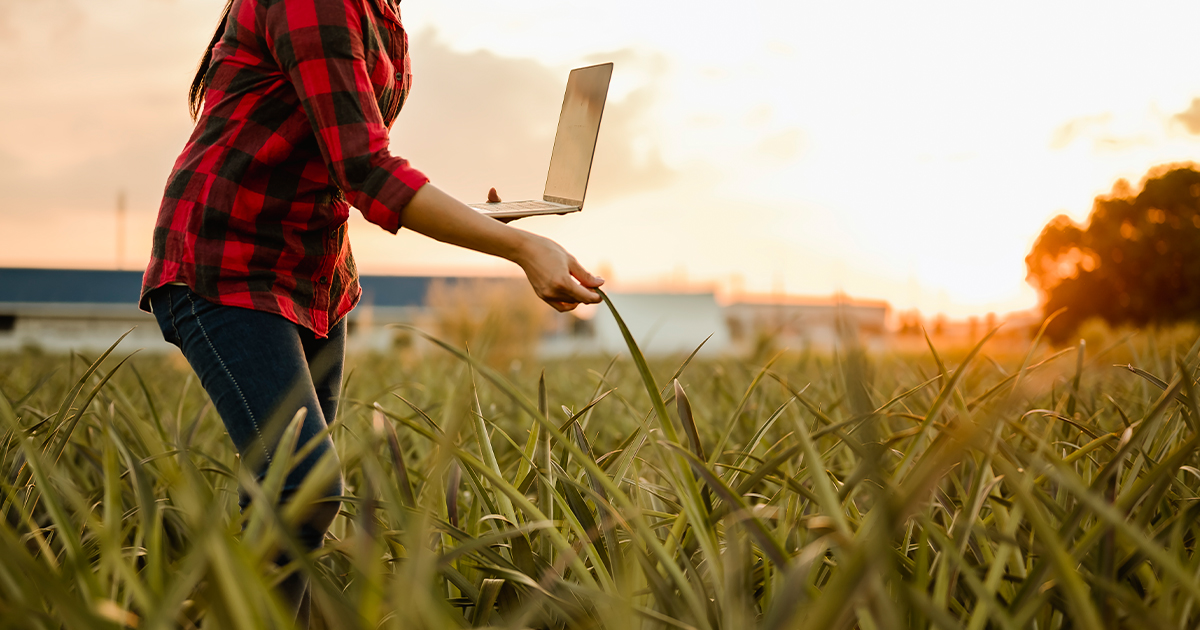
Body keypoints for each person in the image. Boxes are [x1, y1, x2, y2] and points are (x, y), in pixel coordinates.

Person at [138, 0, 604, 624]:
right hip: (225, 262)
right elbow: (362, 168)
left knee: (286, 506)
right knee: (301, 491)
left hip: (310, 274)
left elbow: (344, 153)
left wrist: (482, 221)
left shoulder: (382, 7)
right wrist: (517, 247)